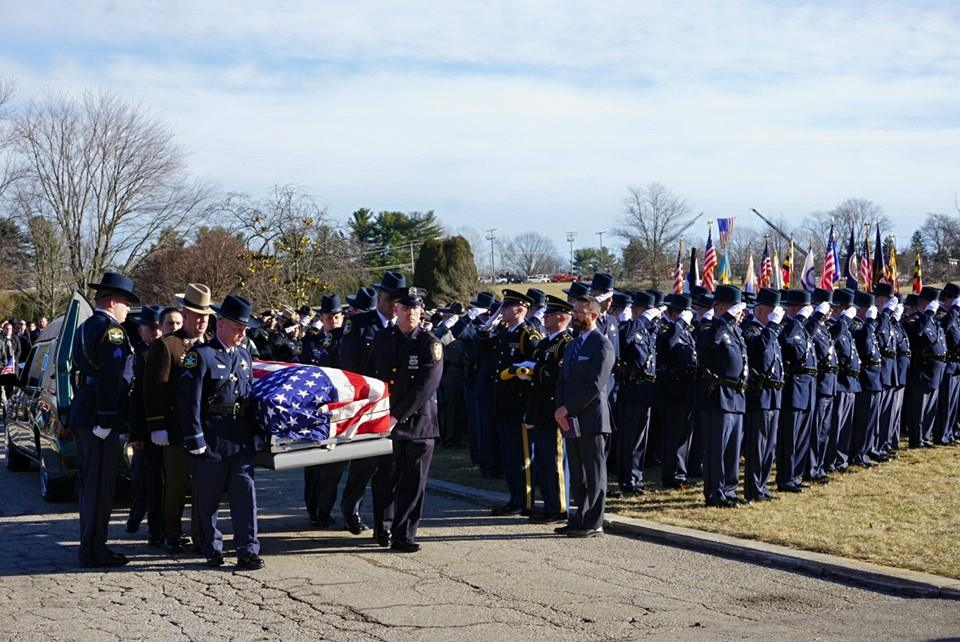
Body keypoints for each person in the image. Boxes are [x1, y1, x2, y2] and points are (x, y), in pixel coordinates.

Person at [179, 294, 264, 570]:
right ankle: (212, 546)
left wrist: (256, 432)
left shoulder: (244, 356)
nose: (242, 333)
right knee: (208, 498)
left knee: (245, 495)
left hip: (239, 437)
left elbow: (249, 397)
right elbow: (189, 401)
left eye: (244, 329)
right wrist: (195, 438)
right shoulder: (201, 356)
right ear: (222, 324)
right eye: (238, 327)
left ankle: (247, 550)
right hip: (212, 436)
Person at [69, 272, 139, 567]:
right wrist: (107, 419)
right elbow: (112, 378)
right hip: (100, 415)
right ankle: (94, 549)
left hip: (85, 408)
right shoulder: (113, 332)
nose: (128, 310)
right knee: (100, 487)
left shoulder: (86, 326)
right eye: (125, 303)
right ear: (112, 302)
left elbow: (75, 366)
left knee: (90, 485)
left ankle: (90, 545)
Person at [367, 287, 443, 552]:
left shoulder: (429, 343)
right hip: (384, 421)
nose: (409, 313)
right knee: (385, 478)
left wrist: (396, 416)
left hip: (418, 425)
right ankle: (383, 528)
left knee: (413, 482)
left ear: (421, 311)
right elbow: (372, 376)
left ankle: (404, 535)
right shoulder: (383, 338)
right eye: (404, 307)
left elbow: (425, 386)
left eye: (415, 308)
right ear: (395, 309)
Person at [144, 283, 213, 554]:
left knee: (202, 485)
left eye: (205, 316)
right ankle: (171, 531)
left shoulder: (208, 346)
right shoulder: (167, 346)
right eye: (197, 316)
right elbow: (154, 389)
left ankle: (200, 533)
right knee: (176, 484)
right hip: (174, 428)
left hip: (203, 428)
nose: (201, 321)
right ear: (185, 315)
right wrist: (157, 425)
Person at [338, 271, 405, 536]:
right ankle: (351, 509)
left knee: (390, 467)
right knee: (364, 463)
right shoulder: (359, 325)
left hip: (395, 405)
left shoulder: (403, 328)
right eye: (389, 300)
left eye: (397, 302)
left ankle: (385, 520)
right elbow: (349, 366)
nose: (393, 306)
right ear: (379, 297)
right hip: (367, 404)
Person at [554, 295, 614, 537]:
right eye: (574, 311)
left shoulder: (602, 345)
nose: (575, 315)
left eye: (580, 312)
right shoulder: (572, 344)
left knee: (594, 472)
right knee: (578, 473)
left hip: (591, 419)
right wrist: (560, 409)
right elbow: (562, 381)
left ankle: (594, 522)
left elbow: (595, 384)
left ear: (594, 315)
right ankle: (578, 518)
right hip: (570, 419)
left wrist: (567, 408)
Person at [480, 289, 542, 515]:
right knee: (509, 455)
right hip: (504, 403)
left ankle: (525, 501)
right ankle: (514, 497)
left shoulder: (528, 335)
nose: (502, 311)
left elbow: (535, 369)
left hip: (519, 404)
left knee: (522, 456)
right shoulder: (505, 333)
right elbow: (482, 344)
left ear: (520, 309)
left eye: (506, 307)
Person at [520, 295, 574, 522]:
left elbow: (560, 375)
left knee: (555, 460)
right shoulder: (545, 342)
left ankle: (559, 507)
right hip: (540, 407)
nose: (545, 317)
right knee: (543, 459)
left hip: (553, 407)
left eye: (550, 314)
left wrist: (537, 371)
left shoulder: (566, 343)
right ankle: (549, 503)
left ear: (561, 317)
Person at [696, 285, 748, 508]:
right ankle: (715, 493)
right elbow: (706, 345)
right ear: (723, 307)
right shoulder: (712, 326)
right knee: (717, 449)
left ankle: (729, 489)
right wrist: (723, 318)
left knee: (732, 449)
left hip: (736, 395)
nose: (741, 314)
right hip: (718, 396)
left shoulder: (736, 330)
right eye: (736, 309)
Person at [301, 294, 347, 528]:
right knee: (314, 464)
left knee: (333, 464)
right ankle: (313, 508)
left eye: (337, 317)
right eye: (329, 317)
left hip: (337, 407)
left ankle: (325, 509)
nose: (333, 321)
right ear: (322, 318)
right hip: (315, 408)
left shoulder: (345, 340)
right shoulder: (312, 339)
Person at [125, 305, 164, 543]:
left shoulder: (165, 351)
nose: (157, 331)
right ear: (142, 331)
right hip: (145, 429)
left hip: (164, 427)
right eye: (152, 328)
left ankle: (154, 525)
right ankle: (141, 518)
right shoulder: (138, 357)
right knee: (144, 479)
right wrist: (135, 433)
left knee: (157, 480)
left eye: (160, 327)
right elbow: (135, 399)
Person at [742, 288, 784, 502]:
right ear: (759, 311)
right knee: (757, 445)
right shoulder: (752, 330)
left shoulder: (768, 332)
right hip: (759, 395)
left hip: (773, 394)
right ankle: (753, 488)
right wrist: (772, 328)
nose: (776, 314)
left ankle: (762, 485)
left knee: (769, 446)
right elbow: (763, 356)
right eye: (771, 310)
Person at [616, 291, 657, 495]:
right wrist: (641, 319)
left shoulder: (648, 330)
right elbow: (625, 338)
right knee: (630, 438)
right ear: (636, 310)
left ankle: (636, 477)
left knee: (641, 439)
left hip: (645, 390)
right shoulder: (629, 327)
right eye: (646, 311)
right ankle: (628, 480)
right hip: (631, 390)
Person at [776, 290, 817, 492]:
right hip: (794, 387)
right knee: (789, 439)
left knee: (802, 438)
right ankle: (786, 478)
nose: (806, 313)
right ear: (793, 309)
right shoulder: (789, 326)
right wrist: (797, 319)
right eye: (802, 309)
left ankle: (796, 475)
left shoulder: (802, 328)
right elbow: (787, 341)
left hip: (807, 387)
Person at [657, 294, 698, 489]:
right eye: (681, 313)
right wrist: (680, 322)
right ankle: (669, 475)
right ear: (673, 313)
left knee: (684, 435)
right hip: (672, 387)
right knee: (672, 435)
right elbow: (669, 344)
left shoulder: (687, 332)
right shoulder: (667, 329)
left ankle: (680, 473)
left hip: (687, 387)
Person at [905, 287, 947, 448]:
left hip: (935, 369)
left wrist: (930, 316)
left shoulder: (934, 321)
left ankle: (925, 437)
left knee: (930, 406)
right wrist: (927, 314)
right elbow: (918, 333)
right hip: (922, 369)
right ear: (925, 303)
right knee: (919, 407)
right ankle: (916, 439)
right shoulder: (915, 320)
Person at [826, 288, 860, 473]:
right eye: (846, 307)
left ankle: (842, 460)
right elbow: (833, 338)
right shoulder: (833, 326)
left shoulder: (845, 327)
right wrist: (844, 320)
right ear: (838, 309)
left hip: (849, 382)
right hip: (838, 382)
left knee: (846, 426)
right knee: (836, 426)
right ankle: (831, 461)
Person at [850, 291, 883, 467]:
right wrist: (869, 322)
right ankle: (858, 454)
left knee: (871, 420)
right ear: (861, 309)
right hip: (866, 378)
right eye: (869, 308)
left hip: (875, 377)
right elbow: (865, 344)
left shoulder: (868, 326)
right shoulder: (857, 326)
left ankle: (866, 452)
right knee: (862, 422)